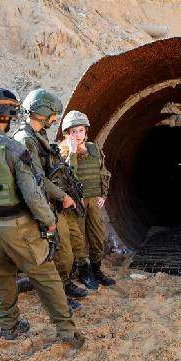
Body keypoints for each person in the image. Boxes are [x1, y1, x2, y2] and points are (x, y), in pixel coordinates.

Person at [0, 88, 84, 347]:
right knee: (47, 278)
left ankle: (9, 326)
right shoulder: (13, 148)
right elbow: (32, 192)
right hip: (20, 229)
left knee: (1, 280)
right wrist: (49, 221)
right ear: (8, 115)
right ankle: (67, 332)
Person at [13, 89, 88, 311]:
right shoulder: (26, 139)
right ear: (43, 112)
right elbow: (37, 179)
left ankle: (64, 285)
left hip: (51, 201)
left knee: (65, 249)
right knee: (56, 252)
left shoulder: (39, 136)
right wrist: (63, 196)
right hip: (42, 203)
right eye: (53, 114)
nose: (55, 119)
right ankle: (58, 296)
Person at [59, 110, 115, 289]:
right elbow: (66, 176)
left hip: (94, 200)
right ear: (68, 133)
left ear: (86, 132)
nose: (77, 134)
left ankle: (97, 269)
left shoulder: (93, 148)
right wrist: (72, 154)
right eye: (73, 131)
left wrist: (103, 194)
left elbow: (103, 172)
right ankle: (84, 270)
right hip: (77, 203)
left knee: (98, 236)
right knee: (79, 239)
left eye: (80, 130)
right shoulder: (63, 152)